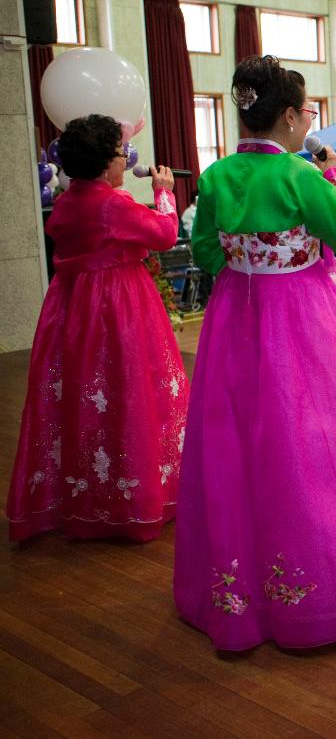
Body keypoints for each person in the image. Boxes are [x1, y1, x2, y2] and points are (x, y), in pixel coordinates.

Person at [175, 56, 336, 650]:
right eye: (308, 110)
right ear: (288, 116)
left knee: (238, 437)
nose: (309, 120)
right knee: (317, 436)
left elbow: (204, 250)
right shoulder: (301, 175)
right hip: (303, 315)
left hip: (235, 315)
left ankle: (241, 591)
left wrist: (245, 267)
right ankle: (330, 582)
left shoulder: (215, 176)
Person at [7, 114, 186, 542]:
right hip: (118, 306)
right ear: (106, 164)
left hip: (71, 307)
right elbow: (164, 234)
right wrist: (163, 193)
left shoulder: (68, 201)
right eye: (121, 155)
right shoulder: (113, 203)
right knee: (130, 392)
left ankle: (84, 497)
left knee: (84, 397)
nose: (125, 162)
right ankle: (136, 498)